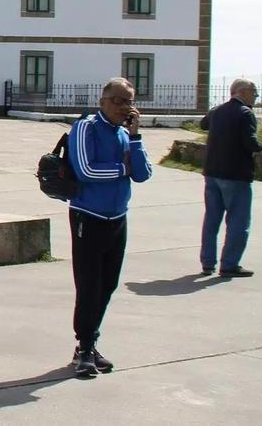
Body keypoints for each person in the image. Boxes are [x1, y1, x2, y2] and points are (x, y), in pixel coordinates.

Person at [65, 77, 152, 377]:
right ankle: (84, 347)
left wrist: (136, 137)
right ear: (102, 101)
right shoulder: (86, 127)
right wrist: (123, 168)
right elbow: (86, 170)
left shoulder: (125, 134)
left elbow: (143, 174)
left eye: (128, 101)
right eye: (117, 100)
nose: (123, 106)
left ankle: (89, 342)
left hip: (117, 218)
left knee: (107, 284)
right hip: (88, 216)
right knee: (88, 284)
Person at [199, 78, 262, 278]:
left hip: (212, 172)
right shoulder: (245, 113)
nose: (256, 96)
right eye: (254, 92)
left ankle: (207, 263)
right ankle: (229, 264)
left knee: (212, 219)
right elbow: (250, 142)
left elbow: (203, 124)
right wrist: (260, 148)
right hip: (236, 174)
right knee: (238, 221)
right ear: (242, 91)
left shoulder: (217, 111)